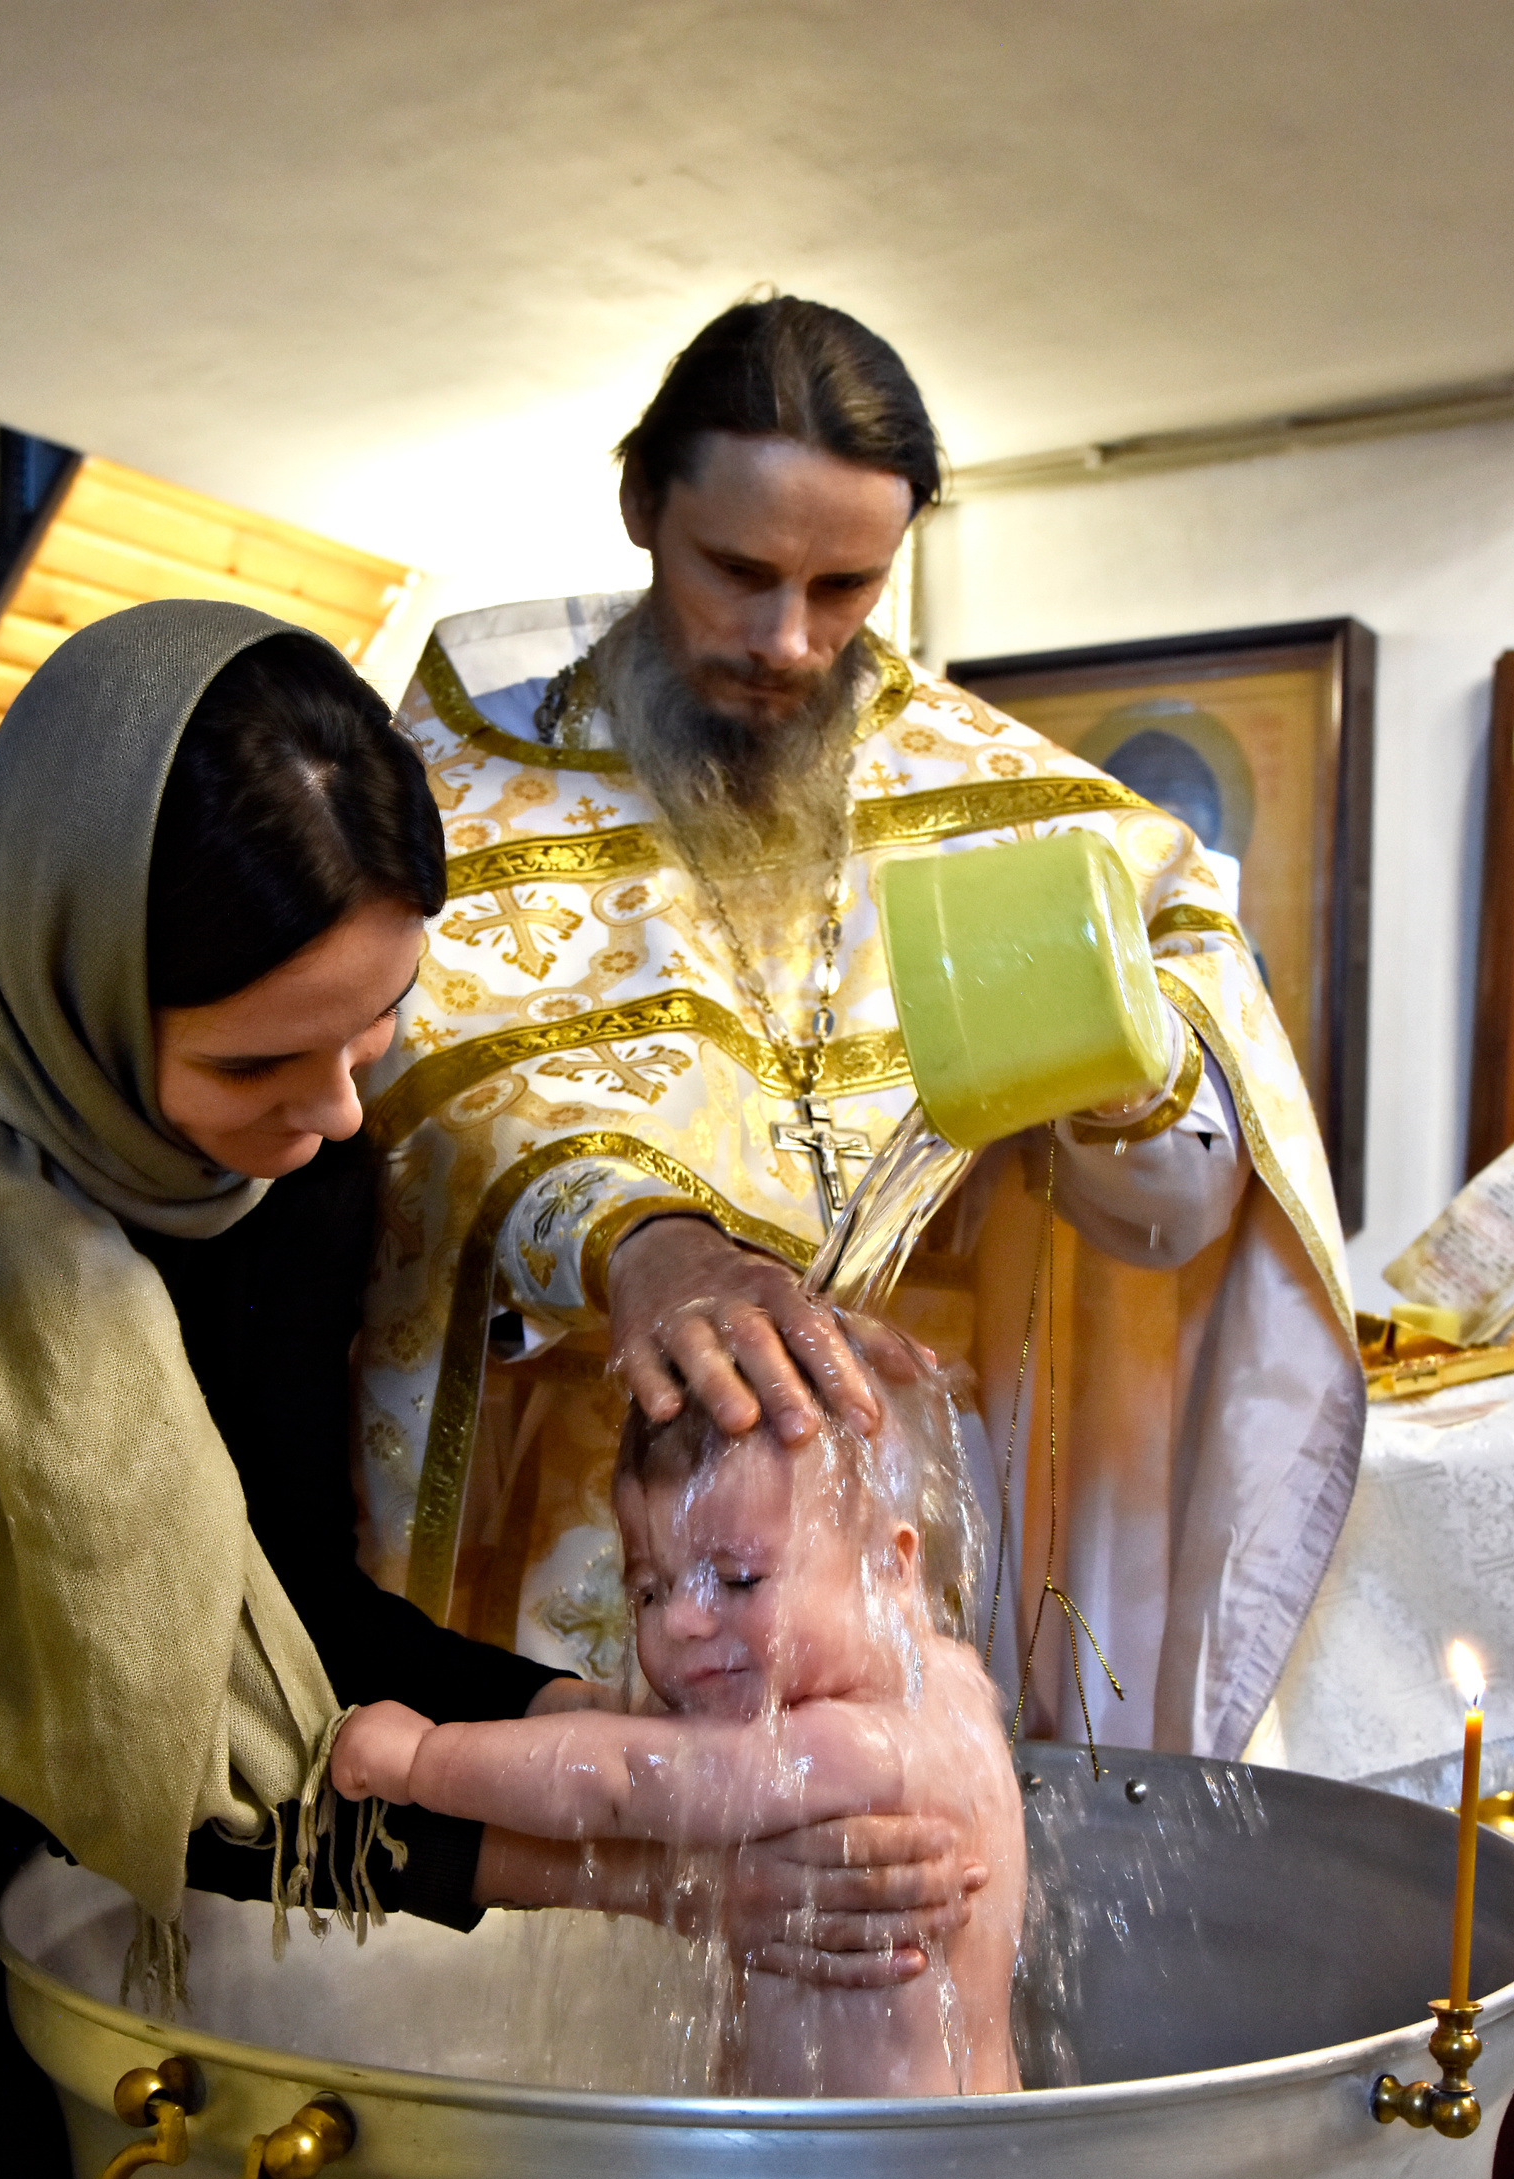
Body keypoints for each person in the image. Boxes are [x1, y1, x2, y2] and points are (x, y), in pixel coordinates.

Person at [0, 598, 972, 2179]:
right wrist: (608, 1845)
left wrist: (614, 1755)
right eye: (266, 1056)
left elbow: (263, 1614)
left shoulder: (286, 1158)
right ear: (77, 983)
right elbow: (100, 1711)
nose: (342, 1112)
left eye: (377, 1031)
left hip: (42, 1876)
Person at [357, 293, 1363, 1762]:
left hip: (895, 1557)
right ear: (640, 502)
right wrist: (638, 1238)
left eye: (846, 588)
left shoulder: (1015, 811)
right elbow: (407, 1095)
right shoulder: (456, 795)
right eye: (739, 571)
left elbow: (1177, 1216)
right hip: (581, 1545)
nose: (787, 639)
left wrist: (1122, 1071)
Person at [336, 1334, 1025, 2099]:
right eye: (650, 1591)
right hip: (960, 2161)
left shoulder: (846, 1748)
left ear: (890, 1569)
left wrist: (421, 1760)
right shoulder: (956, 1691)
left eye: (737, 1579)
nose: (685, 1623)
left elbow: (617, 1779)